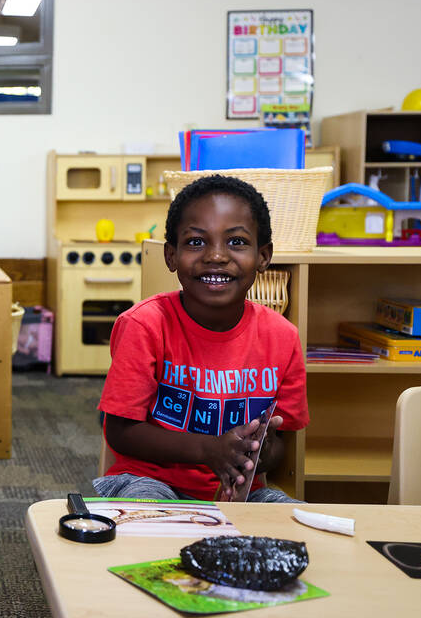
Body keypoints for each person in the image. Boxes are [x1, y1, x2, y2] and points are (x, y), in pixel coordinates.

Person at [92, 175, 307, 503]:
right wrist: (208, 450)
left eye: (236, 242)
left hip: (239, 491)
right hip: (148, 479)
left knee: (294, 521)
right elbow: (119, 433)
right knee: (151, 516)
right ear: (171, 255)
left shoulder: (283, 337)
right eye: (195, 242)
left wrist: (256, 454)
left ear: (263, 256)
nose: (216, 256)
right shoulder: (144, 325)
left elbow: (281, 444)